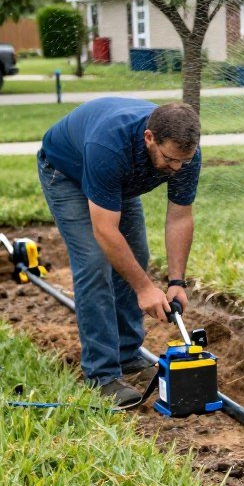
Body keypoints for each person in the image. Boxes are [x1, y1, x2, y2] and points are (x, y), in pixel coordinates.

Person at [37, 98, 202, 406]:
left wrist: (176, 282)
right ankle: (102, 375)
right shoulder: (109, 146)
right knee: (94, 263)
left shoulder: (184, 153)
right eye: (170, 159)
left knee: (135, 259)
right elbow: (105, 231)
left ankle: (127, 355)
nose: (177, 168)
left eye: (184, 161)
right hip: (67, 174)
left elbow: (180, 216)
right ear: (149, 138)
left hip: (117, 183)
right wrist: (144, 288)